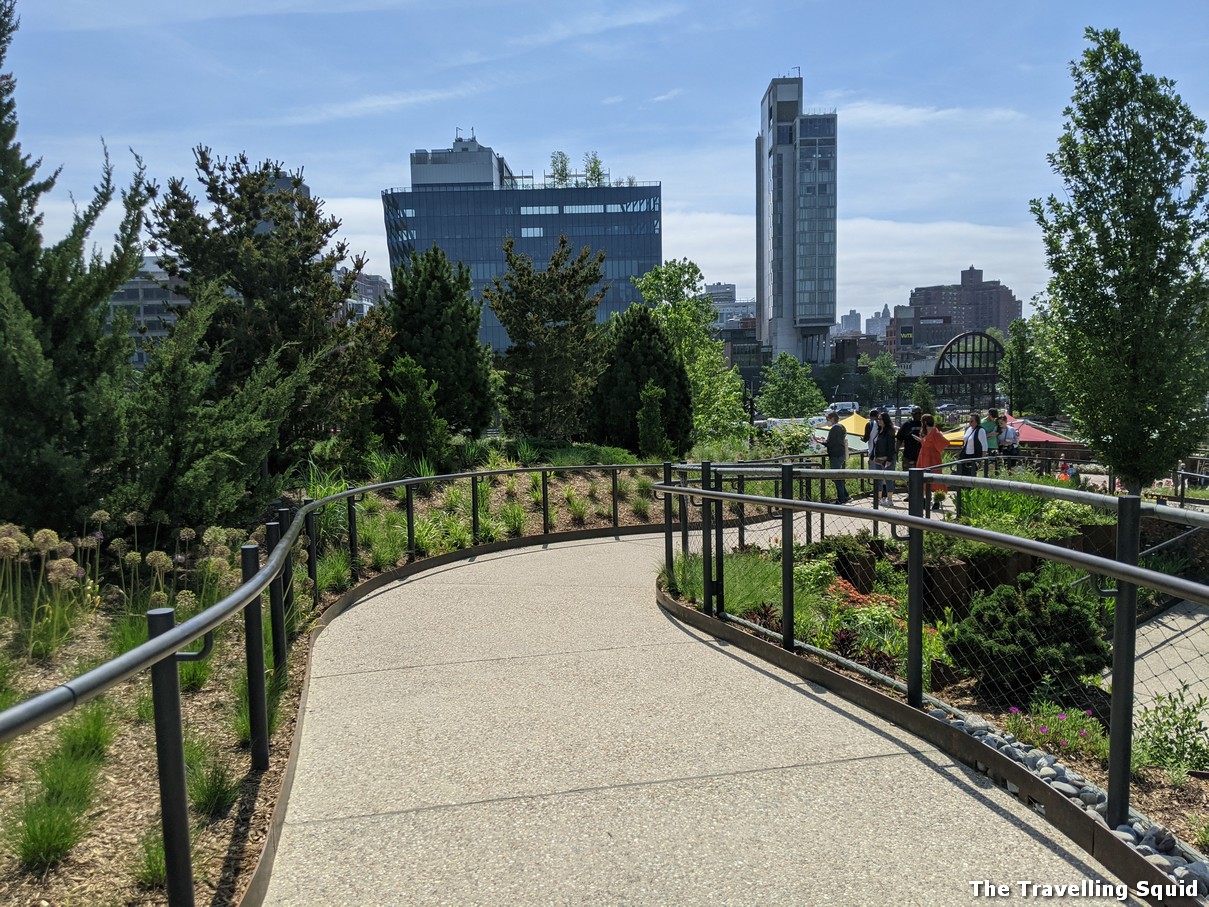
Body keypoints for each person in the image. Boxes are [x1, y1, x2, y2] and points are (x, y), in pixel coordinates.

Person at [917, 413, 949, 507]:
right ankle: (925, 499)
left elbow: (944, 443)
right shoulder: (924, 431)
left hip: (933, 458)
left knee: (935, 478)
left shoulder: (935, 432)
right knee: (922, 477)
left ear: (925, 422)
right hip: (923, 457)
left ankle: (937, 500)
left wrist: (925, 442)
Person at [871, 410, 897, 506]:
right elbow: (875, 445)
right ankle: (879, 498)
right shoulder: (879, 431)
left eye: (881, 419)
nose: (879, 421)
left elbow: (891, 446)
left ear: (885, 420)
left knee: (889, 478)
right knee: (879, 479)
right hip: (878, 458)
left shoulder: (889, 431)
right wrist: (871, 457)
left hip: (887, 458)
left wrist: (889, 460)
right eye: (878, 419)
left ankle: (890, 499)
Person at [824, 411, 849, 504]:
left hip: (835, 455)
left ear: (833, 419)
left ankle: (841, 498)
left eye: (828, 419)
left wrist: (820, 441)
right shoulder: (841, 427)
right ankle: (845, 495)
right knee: (839, 476)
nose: (827, 421)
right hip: (840, 454)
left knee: (836, 477)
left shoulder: (835, 429)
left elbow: (831, 443)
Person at [896, 406, 923, 473]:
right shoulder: (906, 425)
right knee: (909, 478)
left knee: (921, 479)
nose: (918, 415)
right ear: (912, 414)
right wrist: (896, 452)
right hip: (908, 457)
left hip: (921, 456)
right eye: (916, 413)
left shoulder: (924, 424)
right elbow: (899, 439)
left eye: (920, 413)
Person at [981, 408, 1000, 472]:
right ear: (989, 414)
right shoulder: (982, 423)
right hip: (985, 446)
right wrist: (990, 434)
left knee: (994, 463)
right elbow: (980, 436)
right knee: (986, 463)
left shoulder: (996, 422)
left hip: (994, 445)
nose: (994, 418)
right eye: (993, 417)